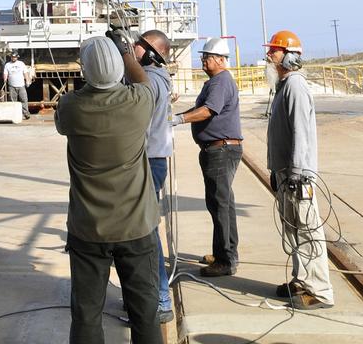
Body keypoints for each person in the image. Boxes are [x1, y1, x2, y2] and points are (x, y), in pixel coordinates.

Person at [55, 32, 163, 344]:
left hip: (88, 229)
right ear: (119, 65)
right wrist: (126, 51)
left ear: (84, 71)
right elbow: (145, 81)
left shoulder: (71, 108)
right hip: (136, 227)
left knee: (87, 314)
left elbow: (64, 117)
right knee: (145, 311)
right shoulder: (138, 102)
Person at [266, 29, 334, 309]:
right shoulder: (282, 86)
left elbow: (301, 133)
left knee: (307, 230)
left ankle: (319, 291)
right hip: (286, 174)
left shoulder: (295, 86)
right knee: (293, 229)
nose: (269, 55)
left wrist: (296, 173)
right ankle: (302, 279)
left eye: (274, 51)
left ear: (289, 56)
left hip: (298, 176)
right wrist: (276, 171)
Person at [172, 36, 242, 277]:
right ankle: (224, 252)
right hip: (217, 149)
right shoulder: (215, 81)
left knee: (220, 204)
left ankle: (225, 260)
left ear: (221, 60)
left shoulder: (220, 82)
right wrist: (178, 115)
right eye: (203, 56)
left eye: (207, 57)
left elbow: (208, 110)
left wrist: (180, 119)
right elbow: (199, 110)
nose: (203, 60)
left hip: (221, 150)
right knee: (221, 203)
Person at [134, 29, 174, 324]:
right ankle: (144, 295)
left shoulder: (151, 79)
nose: (133, 48)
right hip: (148, 160)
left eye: (137, 46)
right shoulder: (149, 76)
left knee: (147, 232)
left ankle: (161, 299)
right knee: (138, 231)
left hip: (149, 161)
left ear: (150, 53)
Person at [2, 51, 32, 119]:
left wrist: (27, 81)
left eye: (15, 57)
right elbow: (5, 73)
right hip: (11, 86)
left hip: (21, 85)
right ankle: (15, 114)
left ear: (17, 57)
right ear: (11, 57)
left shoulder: (21, 64)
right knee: (13, 101)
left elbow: (25, 72)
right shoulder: (7, 65)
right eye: (12, 57)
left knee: (24, 100)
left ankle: (26, 114)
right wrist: (5, 79)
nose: (13, 58)